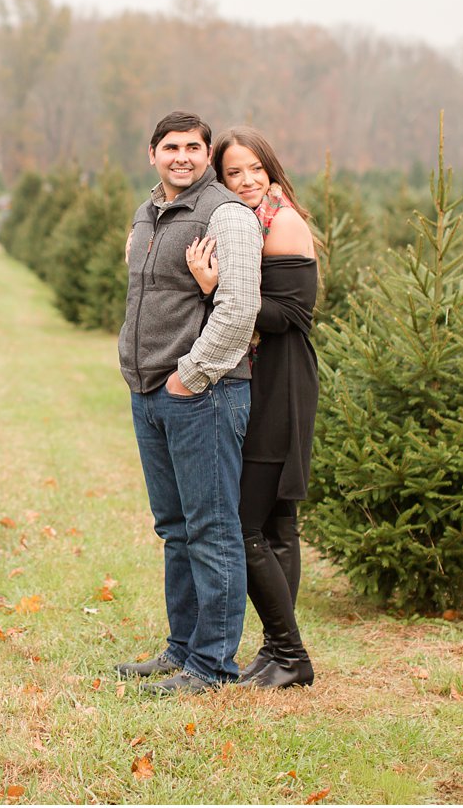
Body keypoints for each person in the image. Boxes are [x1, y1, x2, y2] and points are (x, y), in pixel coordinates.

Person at [115, 111, 263, 694]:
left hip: (203, 393)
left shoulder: (225, 214)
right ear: (152, 153)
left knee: (211, 528)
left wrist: (192, 374)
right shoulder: (147, 212)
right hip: (147, 391)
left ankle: (212, 665)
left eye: (194, 147)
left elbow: (239, 305)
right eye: (170, 147)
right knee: (175, 527)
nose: (182, 156)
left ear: (207, 154)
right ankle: (181, 649)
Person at [185, 125, 319, 689]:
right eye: (232, 172)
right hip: (259, 377)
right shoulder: (244, 221)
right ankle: (276, 651)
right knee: (276, 523)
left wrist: (218, 289)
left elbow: (291, 315)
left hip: (279, 383)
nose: (244, 181)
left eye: (253, 170)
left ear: (271, 169)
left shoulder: (283, 222)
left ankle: (290, 654)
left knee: (243, 524)